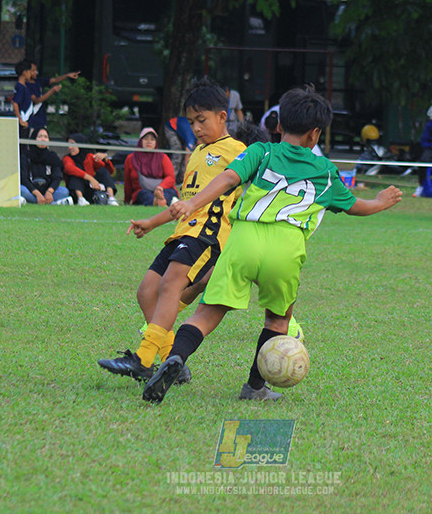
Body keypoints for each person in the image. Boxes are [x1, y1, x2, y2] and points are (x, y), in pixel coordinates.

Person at [141, 87, 403, 403]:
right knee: (278, 320)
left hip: (244, 239)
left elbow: (226, 180)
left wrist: (193, 201)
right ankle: (254, 387)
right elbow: (356, 206)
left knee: (208, 312)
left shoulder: (261, 152)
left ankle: (177, 357)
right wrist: (380, 201)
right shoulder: (325, 171)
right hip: (286, 247)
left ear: (278, 126)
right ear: (315, 134)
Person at [97, 82, 247, 384]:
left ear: (222, 116)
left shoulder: (238, 152)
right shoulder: (197, 154)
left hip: (208, 234)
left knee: (170, 285)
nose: (196, 128)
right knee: (146, 292)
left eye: (201, 120)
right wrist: (152, 222)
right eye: (191, 122)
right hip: (183, 233)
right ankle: (172, 361)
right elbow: (185, 201)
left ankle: (143, 359)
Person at [11, 59, 78, 138]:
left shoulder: (36, 82)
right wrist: (20, 120)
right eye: (31, 71)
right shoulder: (22, 87)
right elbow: (17, 102)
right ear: (25, 72)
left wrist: (67, 75)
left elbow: (54, 80)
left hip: (37, 120)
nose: (34, 73)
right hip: (30, 121)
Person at [123, 127, 178, 206]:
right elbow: (128, 182)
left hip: (163, 189)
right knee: (144, 194)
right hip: (142, 191)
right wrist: (126, 200)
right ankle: (157, 202)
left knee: (167, 193)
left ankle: (162, 201)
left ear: (156, 142)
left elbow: (170, 177)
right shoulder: (131, 158)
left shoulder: (163, 157)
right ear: (140, 141)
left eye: (152, 139)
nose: (149, 142)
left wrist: (160, 188)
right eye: (146, 139)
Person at [63, 133, 119, 206]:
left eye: (73, 144)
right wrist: (90, 178)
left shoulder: (89, 156)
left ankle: (111, 198)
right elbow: (69, 168)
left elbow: (109, 171)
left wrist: (105, 159)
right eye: (68, 145)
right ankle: (80, 199)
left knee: (103, 171)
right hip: (76, 190)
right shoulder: (67, 158)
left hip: (91, 189)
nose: (70, 147)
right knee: (75, 175)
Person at [19, 128, 72, 204]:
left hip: (47, 191)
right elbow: (24, 179)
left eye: (45, 137)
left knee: (64, 191)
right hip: (31, 191)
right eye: (40, 136)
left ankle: (31, 201)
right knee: (21, 189)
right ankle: (53, 203)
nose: (43, 139)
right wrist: (36, 193)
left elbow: (57, 178)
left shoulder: (52, 157)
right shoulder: (26, 156)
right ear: (34, 139)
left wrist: (50, 191)